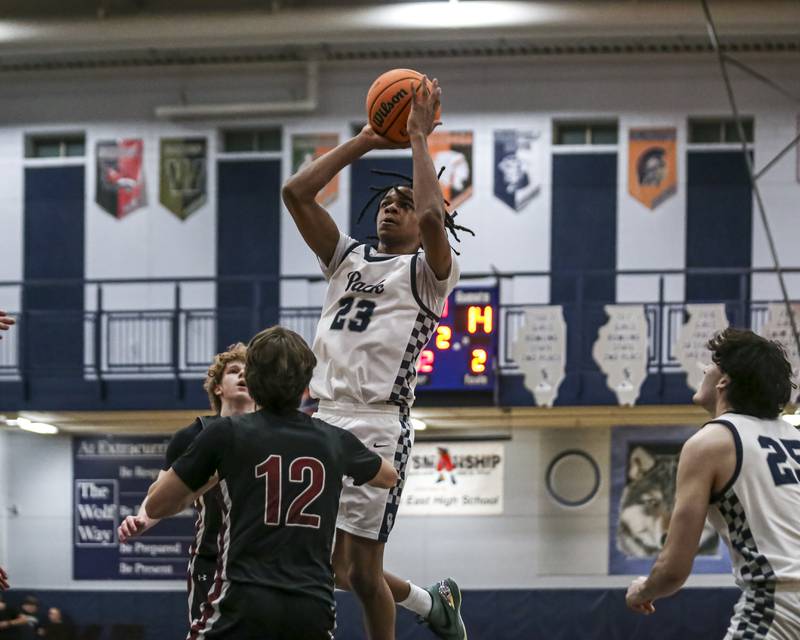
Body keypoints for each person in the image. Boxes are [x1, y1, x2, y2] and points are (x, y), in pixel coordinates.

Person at [282, 76, 468, 640]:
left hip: (379, 422)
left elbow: (435, 219)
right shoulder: (346, 258)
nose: (392, 207)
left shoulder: (431, 274)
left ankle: (422, 611)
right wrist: (364, 139)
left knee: (361, 574)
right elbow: (295, 193)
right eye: (387, 201)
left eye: (404, 203)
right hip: (323, 417)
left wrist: (416, 139)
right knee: (331, 569)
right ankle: (429, 602)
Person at [145, 326, 398, 639]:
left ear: (252, 380)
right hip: (312, 607)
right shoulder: (333, 440)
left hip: (242, 603)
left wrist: (205, 479)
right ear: (306, 383)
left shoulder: (224, 434)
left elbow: (157, 504)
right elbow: (388, 476)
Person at [626, 328, 800, 638]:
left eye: (711, 364)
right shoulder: (795, 437)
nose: (704, 369)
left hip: (779, 606)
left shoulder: (711, 442)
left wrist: (642, 591)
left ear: (723, 381)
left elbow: (673, 570)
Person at [117, 343, 255, 623]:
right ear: (217, 387)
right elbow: (160, 492)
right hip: (212, 559)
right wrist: (143, 518)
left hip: (264, 560)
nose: (242, 376)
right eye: (234, 371)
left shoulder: (276, 433)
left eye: (249, 372)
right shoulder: (193, 435)